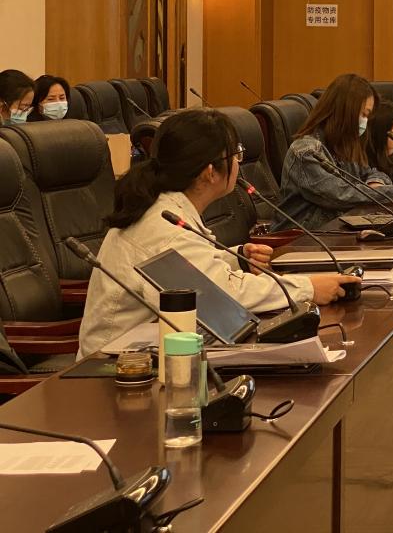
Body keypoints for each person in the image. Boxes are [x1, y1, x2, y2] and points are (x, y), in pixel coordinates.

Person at [77, 109, 358, 359]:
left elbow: (190, 269)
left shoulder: (167, 206)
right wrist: (309, 288)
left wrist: (237, 257)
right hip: (115, 368)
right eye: (236, 154)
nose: (239, 163)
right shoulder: (164, 227)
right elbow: (224, 297)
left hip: (150, 351)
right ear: (210, 172)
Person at [278, 74, 393, 230]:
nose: (365, 122)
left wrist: (376, 183)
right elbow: (342, 195)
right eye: (363, 114)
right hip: (301, 239)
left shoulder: (345, 145)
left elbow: (373, 172)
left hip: (335, 232)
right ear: (344, 111)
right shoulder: (306, 152)